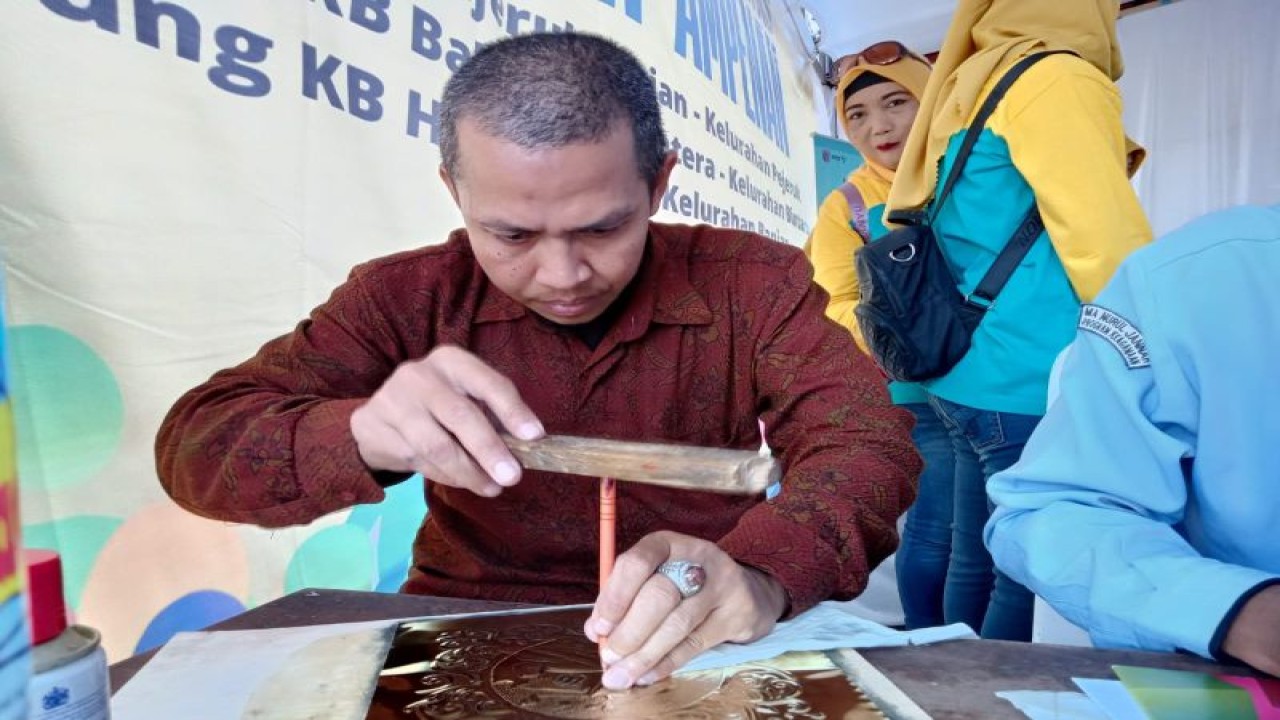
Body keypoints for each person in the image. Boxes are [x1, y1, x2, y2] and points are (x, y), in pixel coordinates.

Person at [154, 33, 921, 690]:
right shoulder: (403, 298)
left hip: (702, 625)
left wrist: (758, 577)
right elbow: (197, 446)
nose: (562, 275)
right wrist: (358, 432)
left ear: (659, 182)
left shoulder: (749, 282)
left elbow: (865, 445)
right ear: (454, 191)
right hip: (465, 626)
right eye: (513, 236)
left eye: (602, 229)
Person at [884, 0, 1153, 640]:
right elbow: (1105, 242)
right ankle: (991, 704)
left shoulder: (972, 80)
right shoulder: (1053, 76)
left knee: (976, 553)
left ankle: (947, 689)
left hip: (964, 371)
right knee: (1024, 572)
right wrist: (1158, 347)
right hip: (1028, 370)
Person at [986, 204, 1280, 676]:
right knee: (951, 543)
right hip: (995, 387)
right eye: (855, 120)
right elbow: (1099, 227)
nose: (878, 127)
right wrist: (1239, 610)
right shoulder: (1203, 278)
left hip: (979, 379)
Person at [805, 42, 954, 630]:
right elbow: (830, 303)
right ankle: (932, 652)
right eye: (858, 115)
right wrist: (904, 336)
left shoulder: (970, 170)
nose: (879, 126)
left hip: (999, 379)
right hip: (913, 392)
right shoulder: (846, 205)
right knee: (937, 523)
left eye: (897, 103)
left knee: (991, 531)